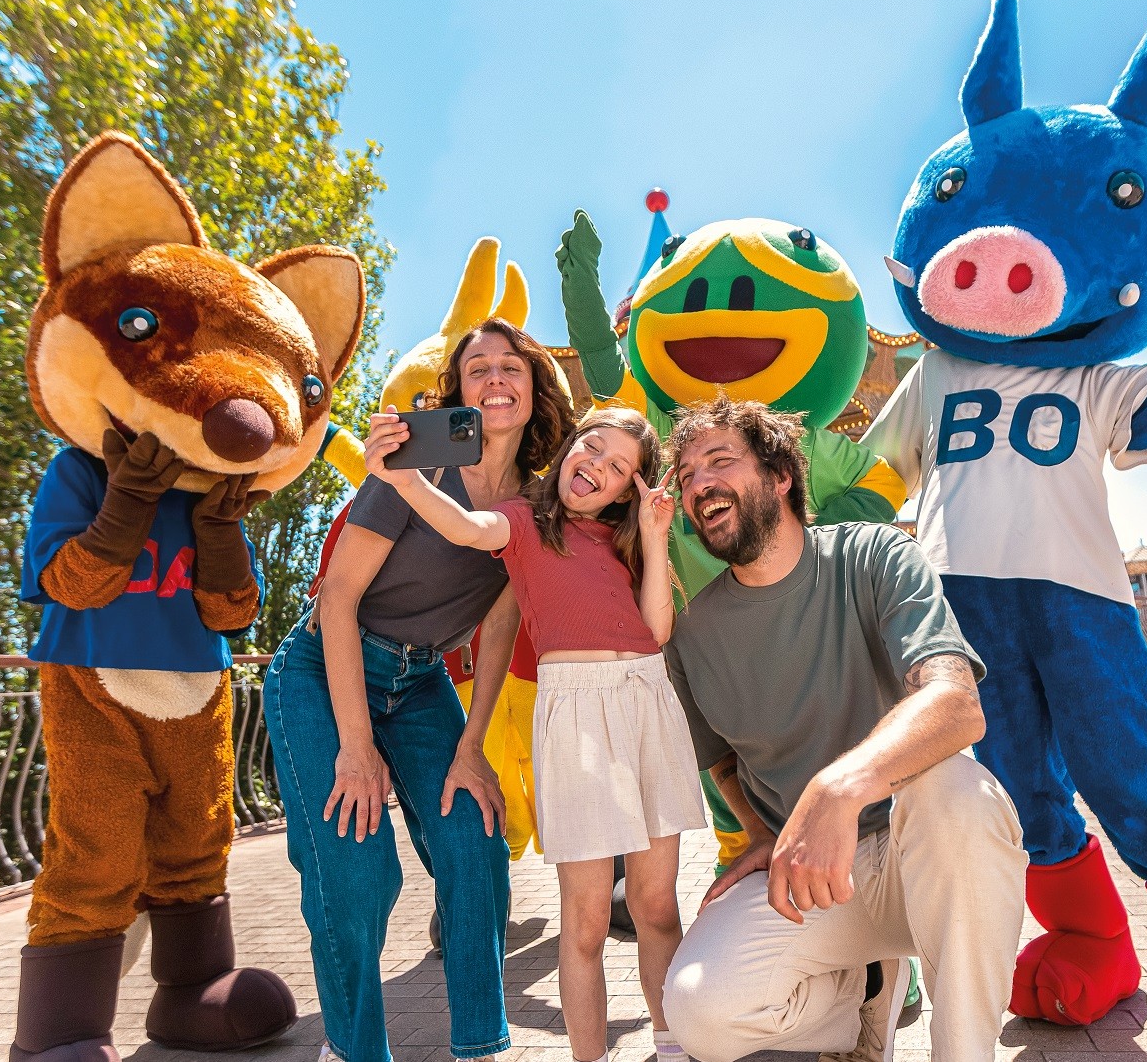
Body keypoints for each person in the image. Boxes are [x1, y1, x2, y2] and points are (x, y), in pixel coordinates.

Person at [655, 396, 1026, 1062]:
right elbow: (722, 762)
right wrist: (767, 831)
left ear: (779, 476)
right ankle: (863, 994)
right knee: (699, 1013)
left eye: (719, 461)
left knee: (961, 793)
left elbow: (956, 702)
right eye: (685, 475)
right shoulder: (691, 634)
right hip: (812, 874)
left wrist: (839, 787)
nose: (698, 482)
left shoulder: (874, 552)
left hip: (925, 848)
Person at [262, 318, 575, 1062]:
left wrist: (472, 747)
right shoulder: (418, 460)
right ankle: (354, 1048)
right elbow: (337, 598)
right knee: (355, 866)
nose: (496, 378)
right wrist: (358, 747)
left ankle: (479, 1045)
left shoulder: (538, 498)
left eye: (512, 367)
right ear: (457, 391)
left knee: (476, 838)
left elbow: (499, 629)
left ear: (534, 390)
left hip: (421, 677)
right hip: (322, 668)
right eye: (478, 369)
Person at [362, 406, 706, 1062]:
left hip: (645, 700)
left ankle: (674, 1047)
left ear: (625, 490)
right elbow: (465, 525)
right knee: (586, 920)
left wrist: (657, 536)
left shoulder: (627, 541)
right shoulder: (523, 521)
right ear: (571, 444)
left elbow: (657, 630)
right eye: (592, 448)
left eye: (617, 469)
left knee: (656, 904)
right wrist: (403, 479)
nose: (596, 468)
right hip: (573, 712)